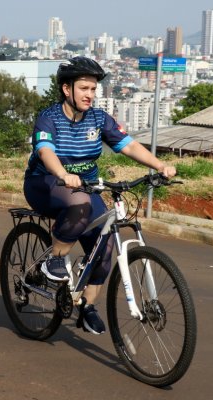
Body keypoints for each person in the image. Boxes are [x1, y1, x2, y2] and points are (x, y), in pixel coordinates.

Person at [23, 56, 176, 335]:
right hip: (44, 183)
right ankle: (55, 259)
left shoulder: (98, 118)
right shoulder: (49, 117)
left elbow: (127, 145)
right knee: (79, 204)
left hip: (85, 185)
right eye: (84, 88)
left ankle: (87, 305)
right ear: (67, 89)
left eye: (93, 90)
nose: (90, 95)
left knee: (104, 249)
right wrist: (62, 174)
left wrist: (160, 165)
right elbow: (45, 152)